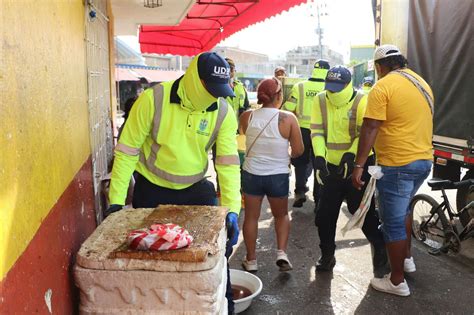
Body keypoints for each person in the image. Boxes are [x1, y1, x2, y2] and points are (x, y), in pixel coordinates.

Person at [106, 52, 241, 313]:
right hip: (152, 190)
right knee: (151, 262)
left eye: (220, 90)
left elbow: (228, 164)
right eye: (210, 88)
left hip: (197, 191)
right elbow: (127, 152)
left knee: (214, 258)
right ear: (194, 79)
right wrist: (116, 201)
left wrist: (232, 208)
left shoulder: (223, 111)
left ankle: (224, 308)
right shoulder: (152, 100)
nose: (215, 96)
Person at [352, 44, 433, 296]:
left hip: (397, 164)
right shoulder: (421, 82)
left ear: (379, 67)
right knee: (405, 211)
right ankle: (406, 259)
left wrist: (359, 165)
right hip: (423, 161)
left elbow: (371, 126)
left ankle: (397, 281)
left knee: (393, 223)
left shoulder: (383, 86)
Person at [311, 66, 387, 276]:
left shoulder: (362, 100)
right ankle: (327, 255)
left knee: (361, 212)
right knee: (325, 216)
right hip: (330, 168)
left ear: (347, 84)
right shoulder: (319, 99)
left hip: (357, 166)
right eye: (330, 88)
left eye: (337, 88)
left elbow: (367, 133)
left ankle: (380, 248)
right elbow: (316, 130)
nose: (332, 93)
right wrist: (319, 156)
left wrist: (352, 155)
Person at [239, 78, 304, 272]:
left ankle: (251, 260)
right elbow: (299, 150)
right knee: (281, 215)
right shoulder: (288, 118)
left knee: (251, 217)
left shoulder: (246, 116)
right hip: (278, 176)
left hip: (251, 174)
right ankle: (281, 253)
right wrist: (286, 156)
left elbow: (243, 133)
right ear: (278, 95)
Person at [283, 59, 330, 208]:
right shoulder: (330, 87)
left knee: (300, 162)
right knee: (320, 163)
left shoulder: (300, 86)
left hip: (302, 129)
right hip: (322, 131)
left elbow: (289, 107)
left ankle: (300, 191)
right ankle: (319, 199)